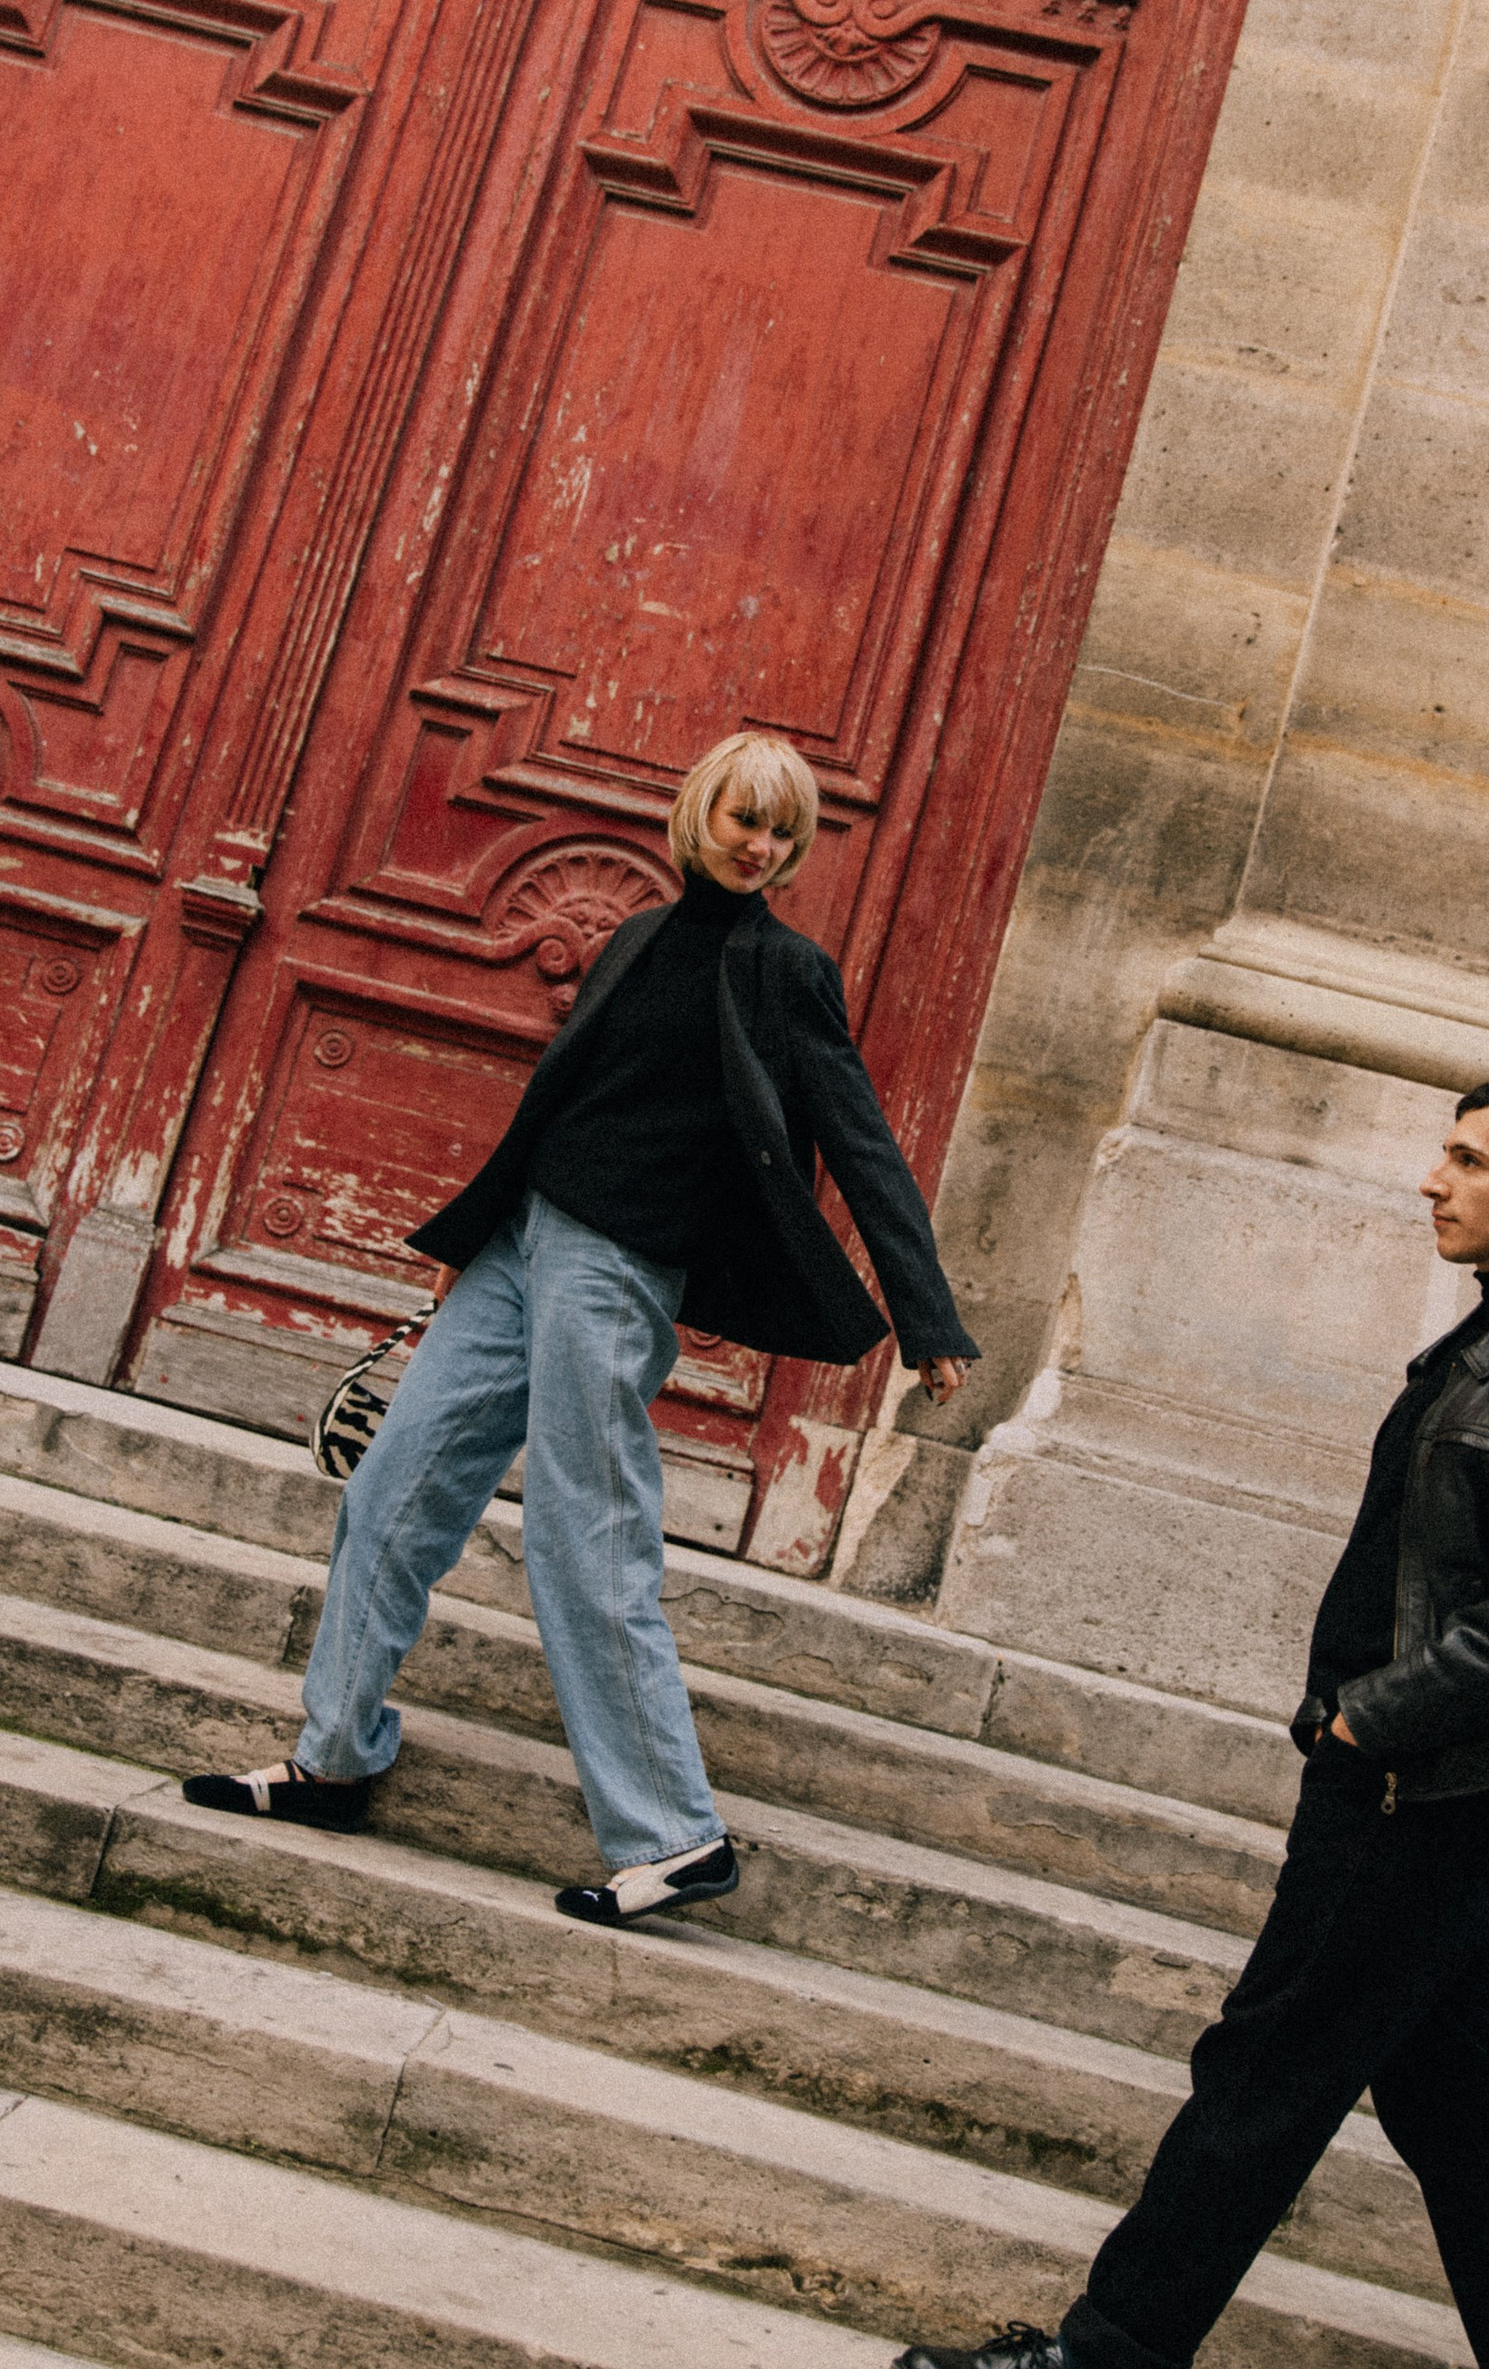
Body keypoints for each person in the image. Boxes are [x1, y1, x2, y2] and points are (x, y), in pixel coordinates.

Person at [890, 1077, 1489, 2369]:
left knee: (1268, 2064)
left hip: (1437, 1778)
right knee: (1463, 2107)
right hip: (1417, 1772)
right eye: (1442, 1148)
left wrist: (1378, 1716)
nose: (1432, 1178)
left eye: (1468, 1157)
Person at [185, 729, 976, 1925]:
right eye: (743, 818)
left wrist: (926, 1318)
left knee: (583, 1530)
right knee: (392, 1485)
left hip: (617, 1268)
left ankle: (673, 1832)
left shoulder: (787, 971)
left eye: (781, 829)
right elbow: (565, 1095)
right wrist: (480, 1245)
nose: (760, 845)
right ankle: (333, 1757)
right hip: (522, 1245)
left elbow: (858, 1137)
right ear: (699, 813)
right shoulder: (639, 938)